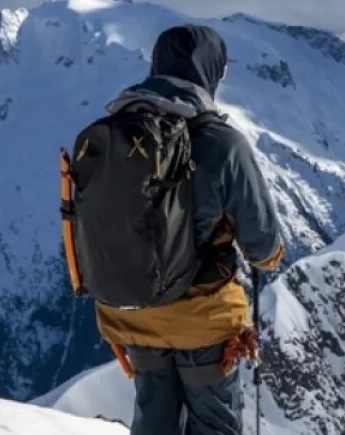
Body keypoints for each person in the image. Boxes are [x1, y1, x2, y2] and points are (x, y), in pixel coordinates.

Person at [95, 24, 284, 435]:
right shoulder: (221, 143)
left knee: (154, 420)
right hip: (203, 319)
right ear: (211, 73)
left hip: (132, 312)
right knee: (214, 424)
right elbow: (264, 248)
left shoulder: (113, 132)